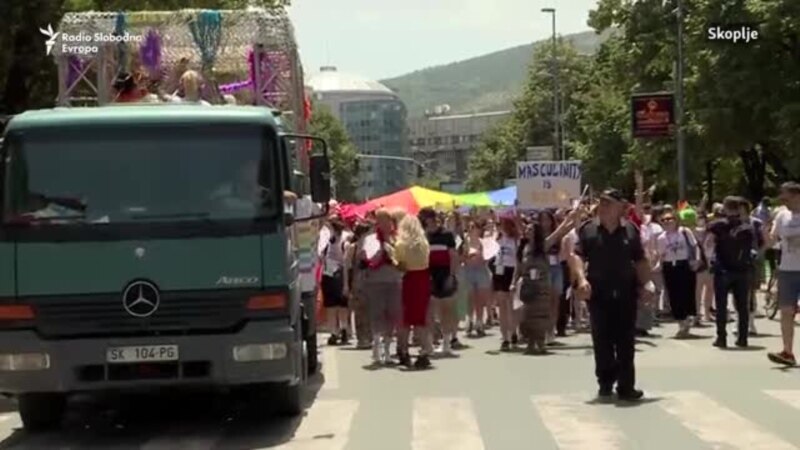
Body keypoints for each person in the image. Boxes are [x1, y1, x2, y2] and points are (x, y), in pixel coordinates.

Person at [568, 189, 653, 401]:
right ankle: (605, 381)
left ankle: (626, 386)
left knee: (626, 341)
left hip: (626, 292)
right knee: (602, 339)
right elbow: (577, 256)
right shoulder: (589, 230)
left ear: (619, 207)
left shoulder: (630, 230)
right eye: (602, 202)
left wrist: (647, 282)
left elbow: (640, 259)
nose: (603, 206)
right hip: (599, 293)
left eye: (608, 203)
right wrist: (581, 279)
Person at [705, 196, 760, 348]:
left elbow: (707, 239)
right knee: (742, 306)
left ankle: (721, 337)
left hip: (723, 269)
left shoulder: (718, 225)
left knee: (721, 305)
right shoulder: (747, 227)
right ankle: (743, 338)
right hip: (743, 270)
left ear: (726, 208)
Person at [419, 207, 460, 356]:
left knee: (446, 310)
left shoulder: (447, 235)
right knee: (429, 311)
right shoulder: (423, 236)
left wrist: (452, 275)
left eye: (425, 218)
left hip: (444, 274)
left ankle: (447, 343)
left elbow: (453, 256)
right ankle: (429, 344)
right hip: (428, 275)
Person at [394, 215, 434, 369]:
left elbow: (402, 266)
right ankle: (425, 350)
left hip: (409, 280)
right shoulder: (424, 243)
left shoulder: (401, 244)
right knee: (420, 317)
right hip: (423, 279)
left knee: (405, 318)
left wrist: (394, 261)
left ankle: (403, 350)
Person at [768, 182, 800, 366]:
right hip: (787, 269)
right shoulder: (782, 215)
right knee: (786, 311)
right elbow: (773, 237)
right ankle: (787, 352)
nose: (784, 201)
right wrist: (768, 237)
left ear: (797, 196)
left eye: (786, 197)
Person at [655, 211, 701, 338]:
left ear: (676, 220)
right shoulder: (661, 237)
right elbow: (662, 254)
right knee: (674, 295)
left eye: (670, 219)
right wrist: (659, 265)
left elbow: (694, 246)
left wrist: (697, 260)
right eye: (664, 220)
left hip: (684, 264)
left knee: (687, 292)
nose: (667, 222)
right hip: (670, 265)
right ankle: (681, 323)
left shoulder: (684, 232)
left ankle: (688, 318)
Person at [321, 217, 350, 346]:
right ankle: (337, 331)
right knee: (333, 306)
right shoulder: (327, 240)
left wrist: (346, 284)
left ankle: (341, 330)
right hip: (330, 274)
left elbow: (346, 262)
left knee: (339, 306)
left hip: (338, 274)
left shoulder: (344, 239)